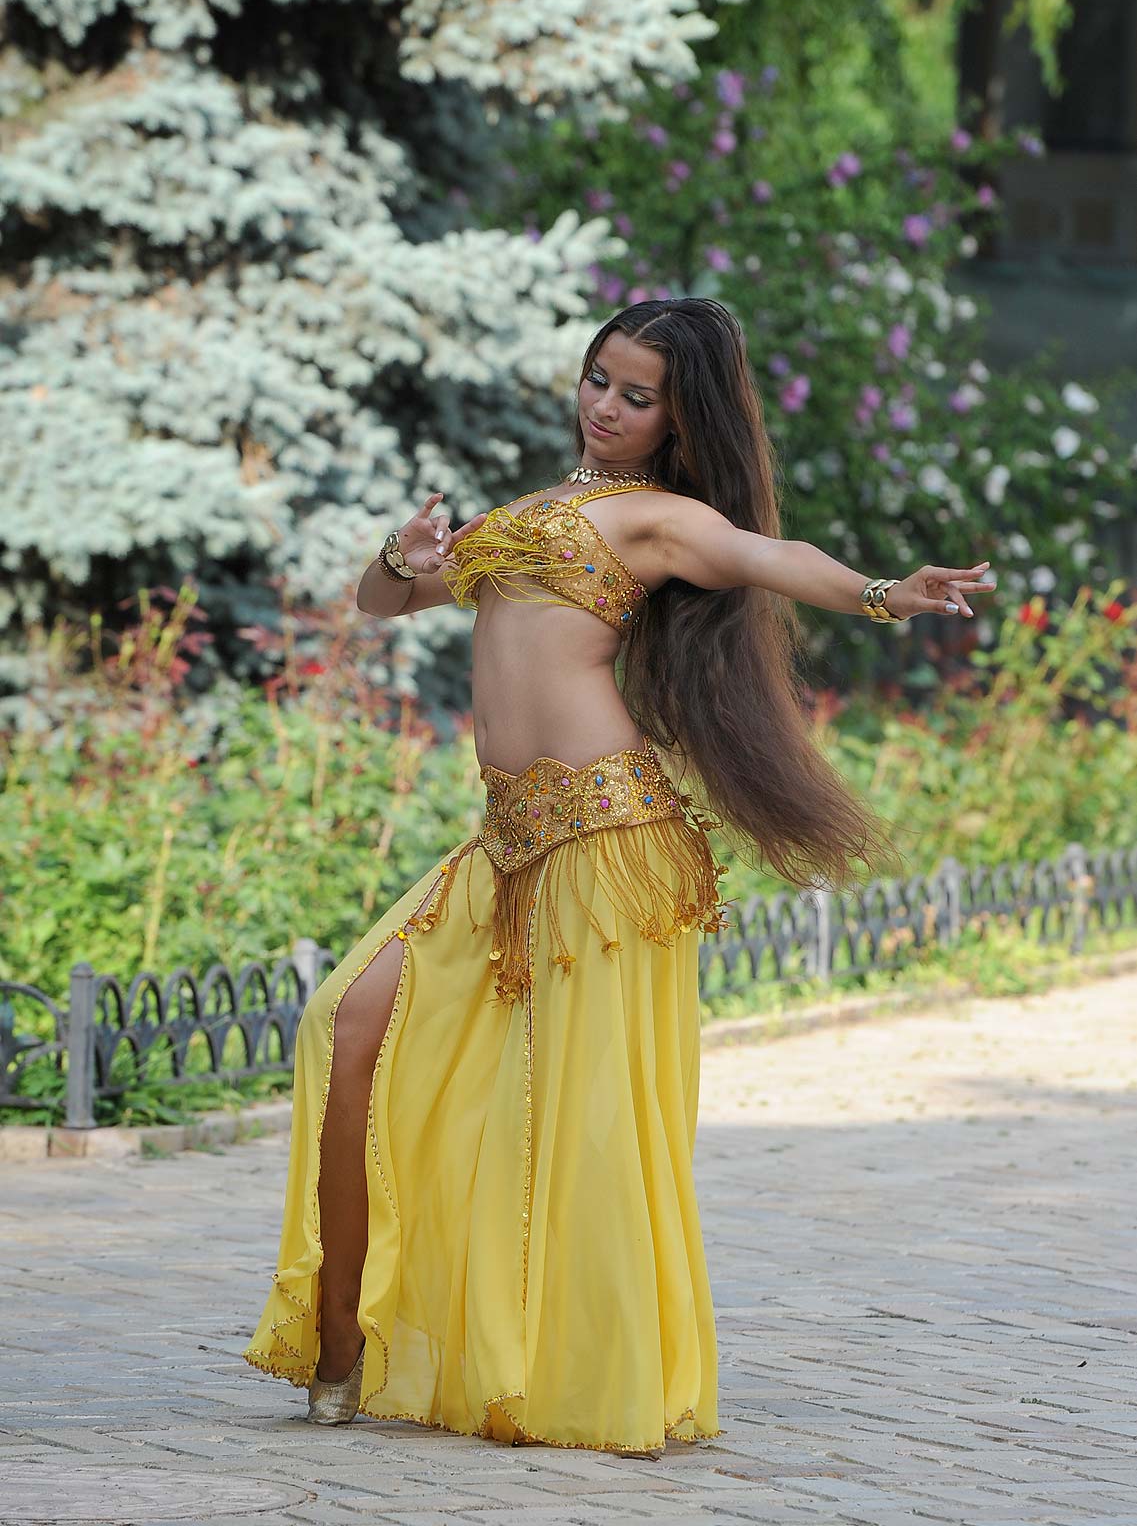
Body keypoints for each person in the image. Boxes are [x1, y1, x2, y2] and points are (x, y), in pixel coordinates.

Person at [243, 297, 996, 1453]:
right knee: (344, 1022)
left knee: (582, 1123)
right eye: (599, 377)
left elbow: (771, 557)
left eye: (637, 396)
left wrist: (887, 592)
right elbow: (382, 603)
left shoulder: (660, 520)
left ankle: (569, 1373)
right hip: (505, 842)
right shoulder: (535, 510)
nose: (605, 405)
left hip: (607, 843)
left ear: (677, 420)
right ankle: (341, 1341)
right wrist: (401, 555)